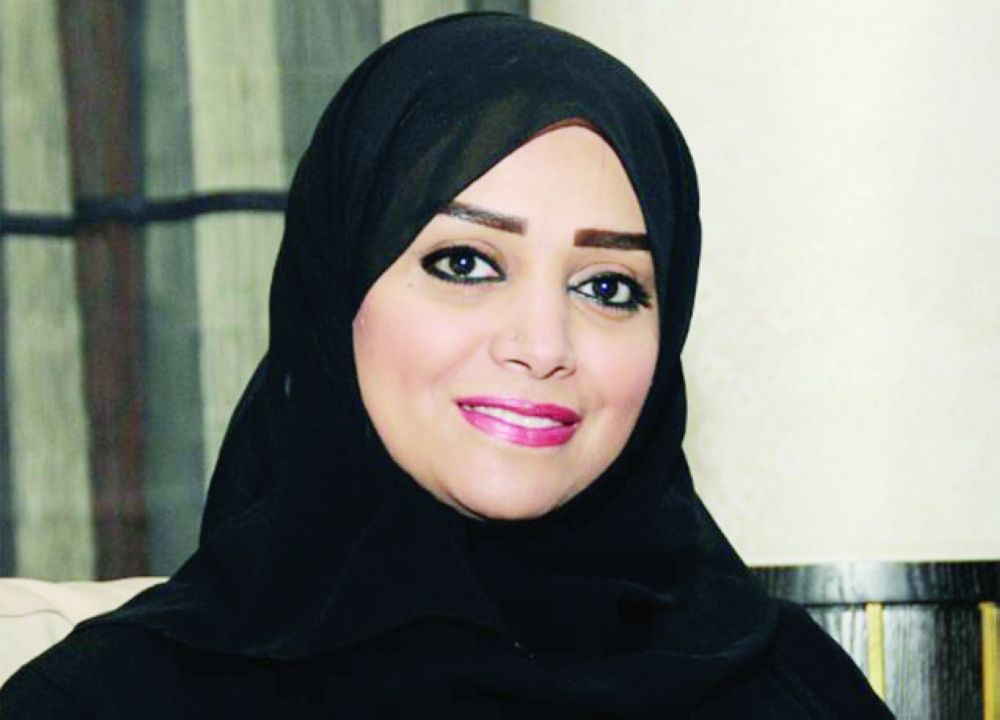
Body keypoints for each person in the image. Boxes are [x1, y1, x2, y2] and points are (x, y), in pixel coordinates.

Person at [0, 12, 892, 717]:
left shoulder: (784, 683)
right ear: (335, 294)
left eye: (608, 287)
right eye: (465, 263)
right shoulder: (113, 698)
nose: (542, 344)